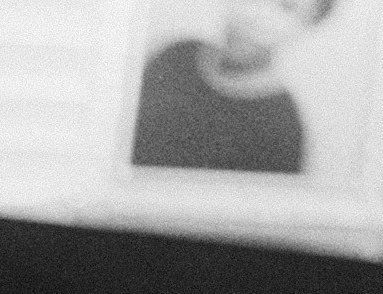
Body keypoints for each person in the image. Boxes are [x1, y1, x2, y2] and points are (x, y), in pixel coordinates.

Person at [133, 0, 336, 176]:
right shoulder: (175, 56)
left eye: (285, 6)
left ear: (307, 25)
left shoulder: (282, 130)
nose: (254, 15)